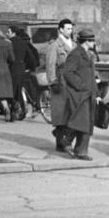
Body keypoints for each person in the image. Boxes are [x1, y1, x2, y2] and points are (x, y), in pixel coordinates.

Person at [57, 28, 100, 160]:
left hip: (89, 94)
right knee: (82, 122)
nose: (94, 43)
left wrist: (96, 93)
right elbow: (68, 73)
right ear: (87, 41)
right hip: (79, 94)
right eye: (93, 41)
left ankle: (78, 149)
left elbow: (91, 76)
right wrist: (81, 85)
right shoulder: (76, 54)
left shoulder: (88, 54)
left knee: (86, 123)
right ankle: (69, 142)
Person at [47, 18, 75, 150]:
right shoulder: (55, 45)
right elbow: (50, 64)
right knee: (61, 112)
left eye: (71, 28)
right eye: (68, 28)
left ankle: (64, 137)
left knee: (72, 111)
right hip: (61, 81)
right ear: (61, 30)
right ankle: (60, 142)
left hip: (72, 82)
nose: (70, 31)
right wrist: (52, 81)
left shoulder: (74, 44)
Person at [6, 25, 35, 120]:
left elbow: (8, 57)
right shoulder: (23, 43)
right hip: (22, 68)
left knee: (11, 90)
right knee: (19, 89)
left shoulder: (9, 43)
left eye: (8, 32)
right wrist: (31, 67)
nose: (7, 33)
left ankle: (13, 108)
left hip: (12, 67)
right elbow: (30, 57)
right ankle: (19, 106)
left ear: (13, 33)